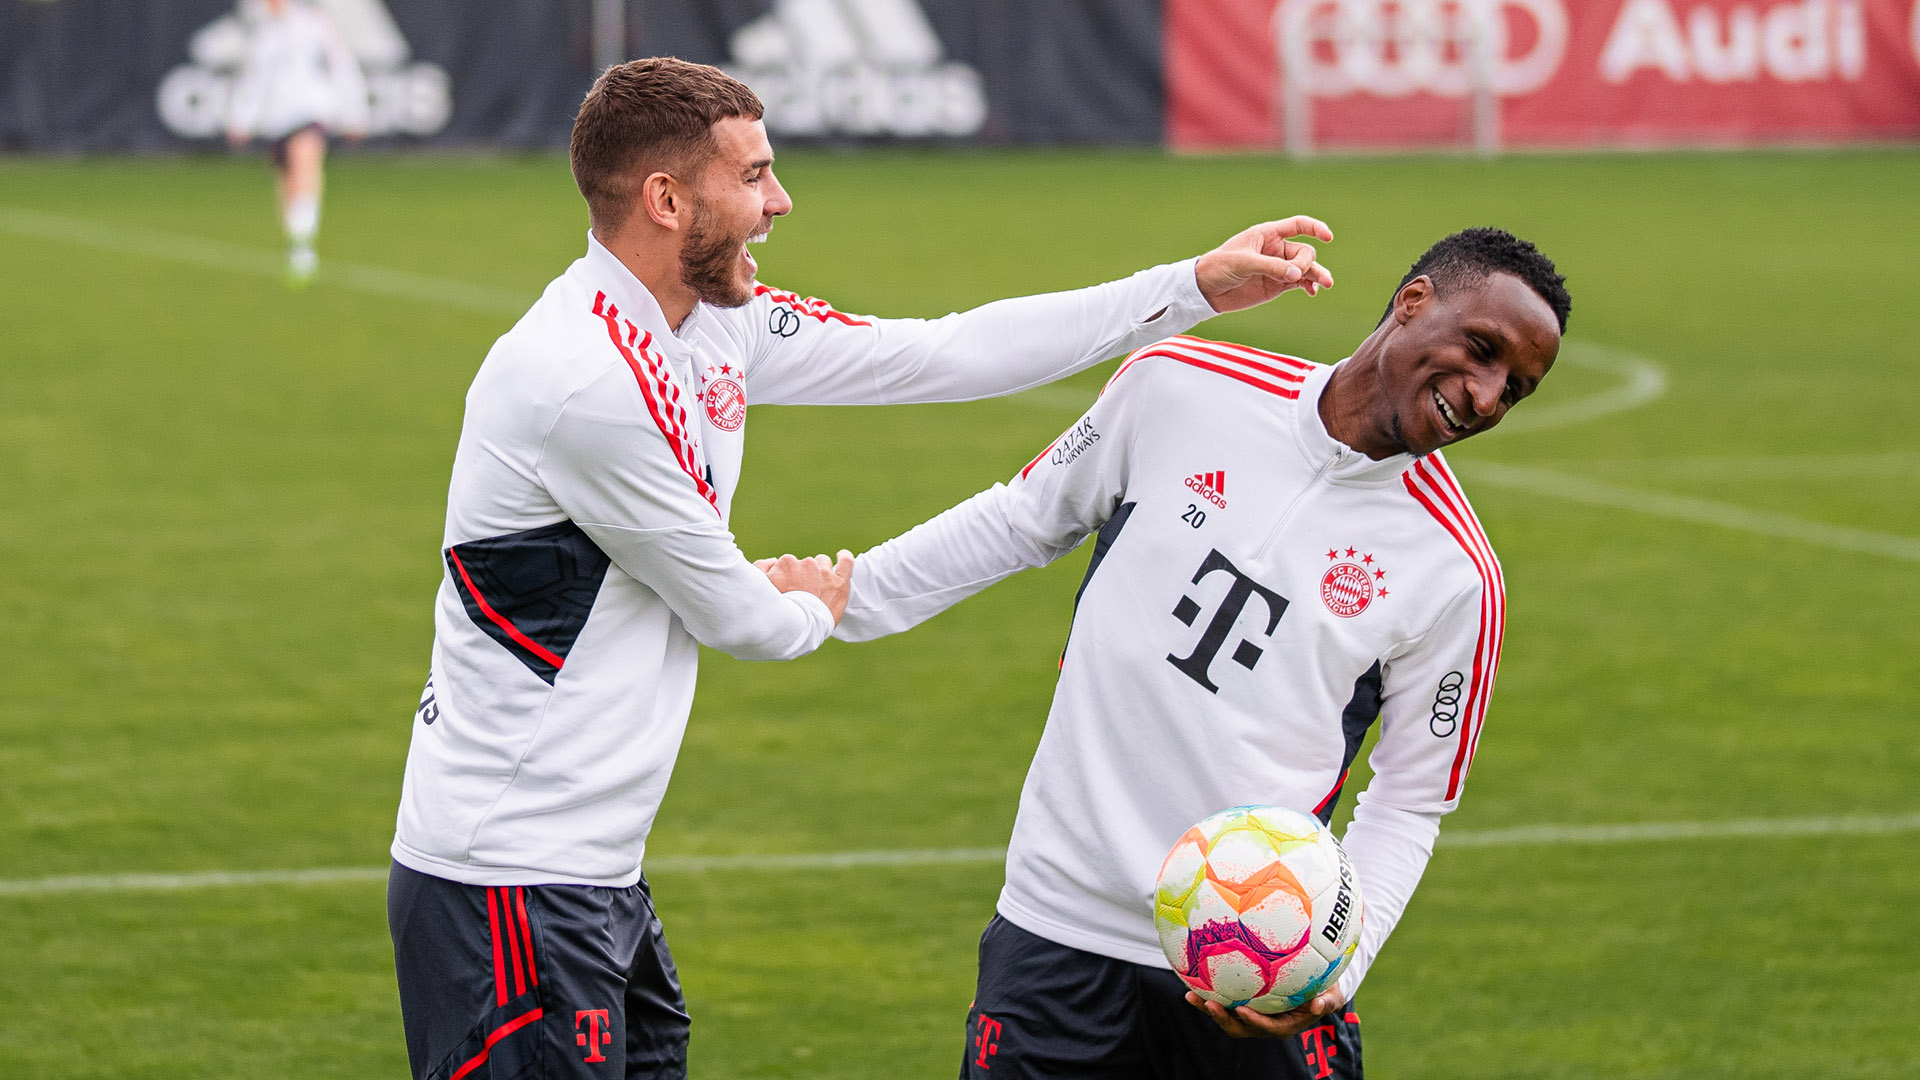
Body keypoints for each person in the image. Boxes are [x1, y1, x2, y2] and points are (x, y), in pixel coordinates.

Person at [386, 56, 1335, 1080]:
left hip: (591, 871)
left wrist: (1186, 287)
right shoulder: (579, 383)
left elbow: (938, 354)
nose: (779, 201)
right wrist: (816, 601)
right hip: (509, 877)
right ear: (665, 200)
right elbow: (739, 617)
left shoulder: (711, 326)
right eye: (752, 176)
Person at [833, 227, 1570, 1079]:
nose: (1483, 398)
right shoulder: (1179, 386)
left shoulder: (1456, 573)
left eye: (1515, 389)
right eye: (1481, 352)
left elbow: (1409, 801)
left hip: (1258, 975)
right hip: (1057, 928)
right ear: (1412, 302)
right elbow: (1020, 520)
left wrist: (1331, 970)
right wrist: (844, 595)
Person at [223, 0, 369, 284]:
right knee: (287, 182)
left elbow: (342, 66)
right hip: (275, 118)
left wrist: (355, 111)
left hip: (310, 110)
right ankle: (295, 239)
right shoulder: (262, 31)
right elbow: (253, 79)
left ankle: (303, 248)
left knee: (305, 166)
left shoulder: (314, 24)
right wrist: (241, 119)